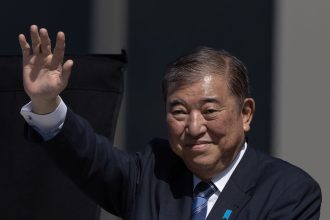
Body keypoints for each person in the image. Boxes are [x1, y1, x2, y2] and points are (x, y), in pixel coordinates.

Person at [19, 25, 322, 220]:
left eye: (210, 111)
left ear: (246, 114)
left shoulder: (289, 191)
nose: (193, 127)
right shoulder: (152, 173)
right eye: (179, 111)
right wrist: (47, 103)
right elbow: (88, 156)